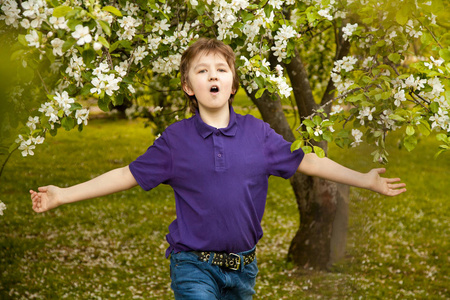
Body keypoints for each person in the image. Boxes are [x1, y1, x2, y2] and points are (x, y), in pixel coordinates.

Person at [30, 38, 406, 299]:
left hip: (243, 267)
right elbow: (127, 175)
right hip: (194, 266)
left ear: (232, 83)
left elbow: (308, 160)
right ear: (189, 86)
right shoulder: (175, 141)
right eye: (202, 70)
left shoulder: (259, 134)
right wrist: (64, 194)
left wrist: (365, 180)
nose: (213, 75)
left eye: (221, 70)